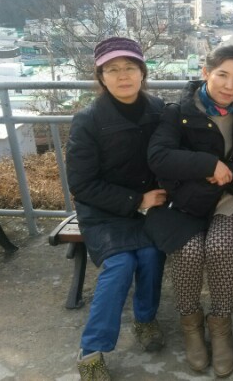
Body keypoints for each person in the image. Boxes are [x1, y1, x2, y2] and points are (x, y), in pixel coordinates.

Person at [145, 44, 233, 378]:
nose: (229, 85)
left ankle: (221, 327)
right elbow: (159, 157)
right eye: (222, 75)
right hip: (185, 201)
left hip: (227, 199)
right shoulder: (179, 111)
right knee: (189, 250)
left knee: (220, 247)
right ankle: (191, 325)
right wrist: (208, 164)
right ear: (206, 72)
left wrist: (230, 172)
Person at [66, 37, 167, 380]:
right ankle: (91, 350)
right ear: (101, 77)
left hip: (149, 208)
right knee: (121, 263)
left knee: (151, 256)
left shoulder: (159, 110)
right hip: (103, 212)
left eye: (130, 67)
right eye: (112, 69)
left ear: (142, 73)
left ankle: (145, 319)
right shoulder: (88, 120)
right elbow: (82, 185)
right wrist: (136, 201)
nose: (123, 75)